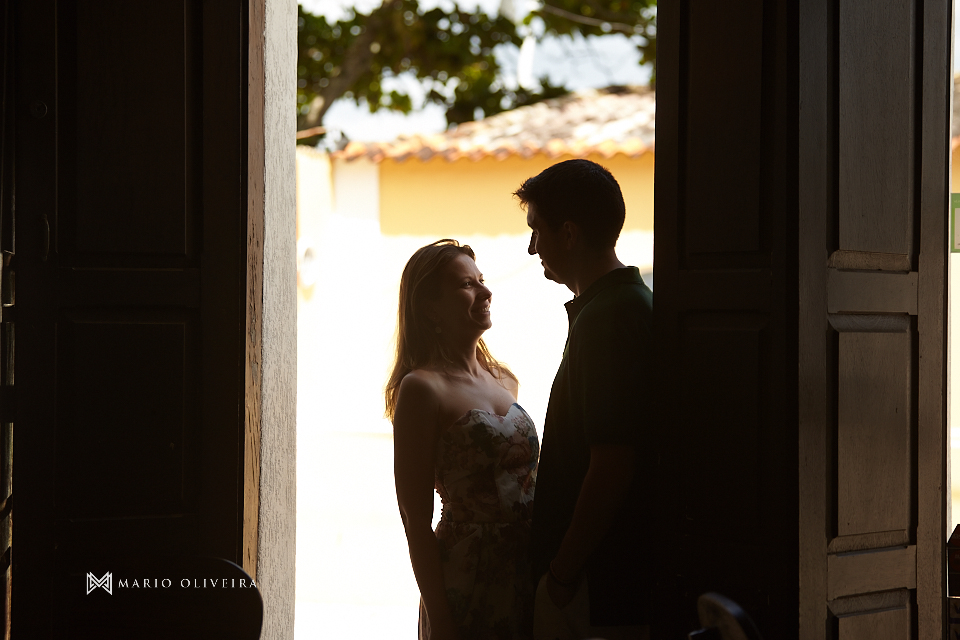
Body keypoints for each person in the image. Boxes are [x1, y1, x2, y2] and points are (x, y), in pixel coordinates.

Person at [515, 159, 654, 640]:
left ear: (568, 235)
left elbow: (612, 461)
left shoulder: (609, 319)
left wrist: (561, 574)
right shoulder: (617, 306)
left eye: (537, 231)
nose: (532, 247)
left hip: (598, 589)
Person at [386, 239, 539, 640]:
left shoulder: (505, 380)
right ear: (430, 308)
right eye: (466, 285)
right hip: (469, 579)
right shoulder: (421, 389)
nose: (486, 292)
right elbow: (415, 518)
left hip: (528, 571)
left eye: (482, 280)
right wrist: (442, 620)